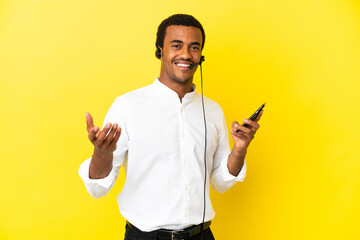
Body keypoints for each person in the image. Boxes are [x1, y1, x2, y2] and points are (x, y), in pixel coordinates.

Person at [78, 14, 263, 240]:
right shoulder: (127, 105)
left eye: (194, 47)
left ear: (201, 55)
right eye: (176, 45)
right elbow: (98, 188)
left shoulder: (213, 111)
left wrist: (240, 148)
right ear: (160, 50)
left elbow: (222, 182)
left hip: (201, 236)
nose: (186, 54)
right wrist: (102, 152)